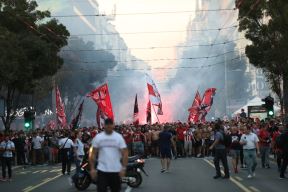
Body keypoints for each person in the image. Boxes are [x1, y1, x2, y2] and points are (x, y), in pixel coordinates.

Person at [89, 118, 128, 192]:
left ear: (113, 125)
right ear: (104, 126)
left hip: (116, 170)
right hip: (102, 170)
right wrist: (92, 168)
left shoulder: (118, 137)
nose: (109, 127)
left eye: (110, 125)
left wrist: (123, 168)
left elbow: (125, 153)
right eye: (107, 125)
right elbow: (93, 153)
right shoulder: (99, 137)